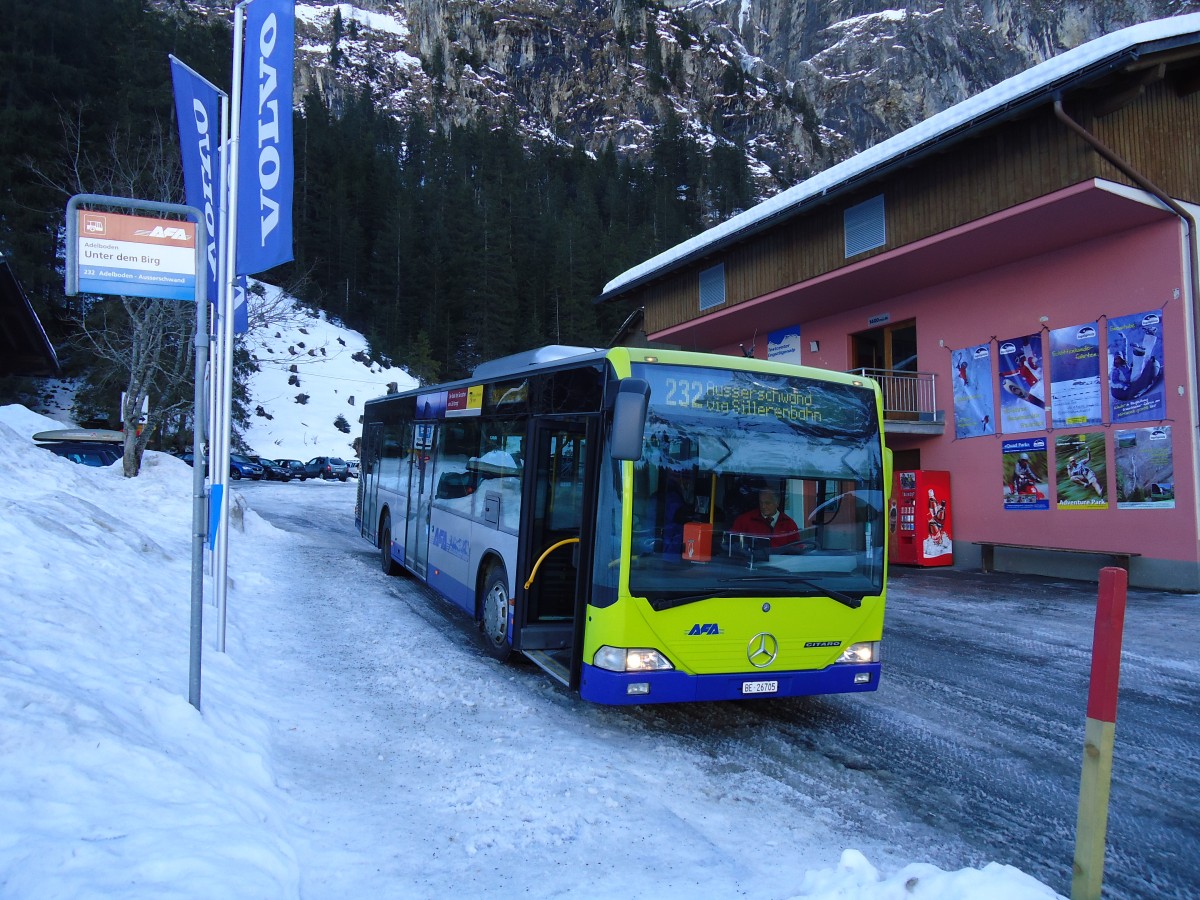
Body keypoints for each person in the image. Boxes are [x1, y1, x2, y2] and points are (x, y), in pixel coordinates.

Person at [731, 488, 800, 549]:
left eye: (767, 503)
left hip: (780, 563)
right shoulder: (743, 520)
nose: (763, 506)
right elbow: (733, 547)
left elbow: (796, 551)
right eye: (761, 502)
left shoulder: (789, 524)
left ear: (777, 503)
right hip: (752, 562)